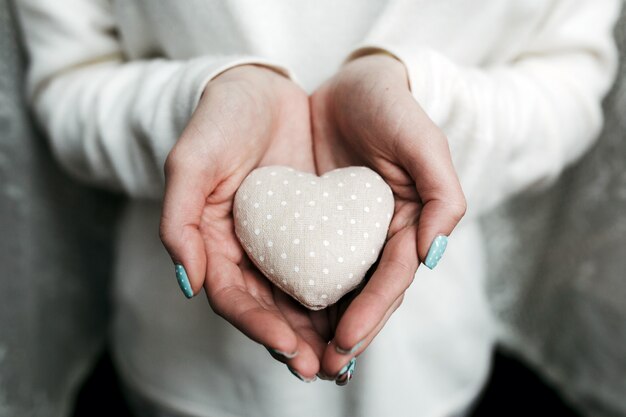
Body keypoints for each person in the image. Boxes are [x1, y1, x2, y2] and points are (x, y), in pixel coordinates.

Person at [15, 1, 620, 416]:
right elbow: (68, 77)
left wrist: (425, 108)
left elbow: (569, 74)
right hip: (189, 372)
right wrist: (197, 108)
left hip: (429, 368)